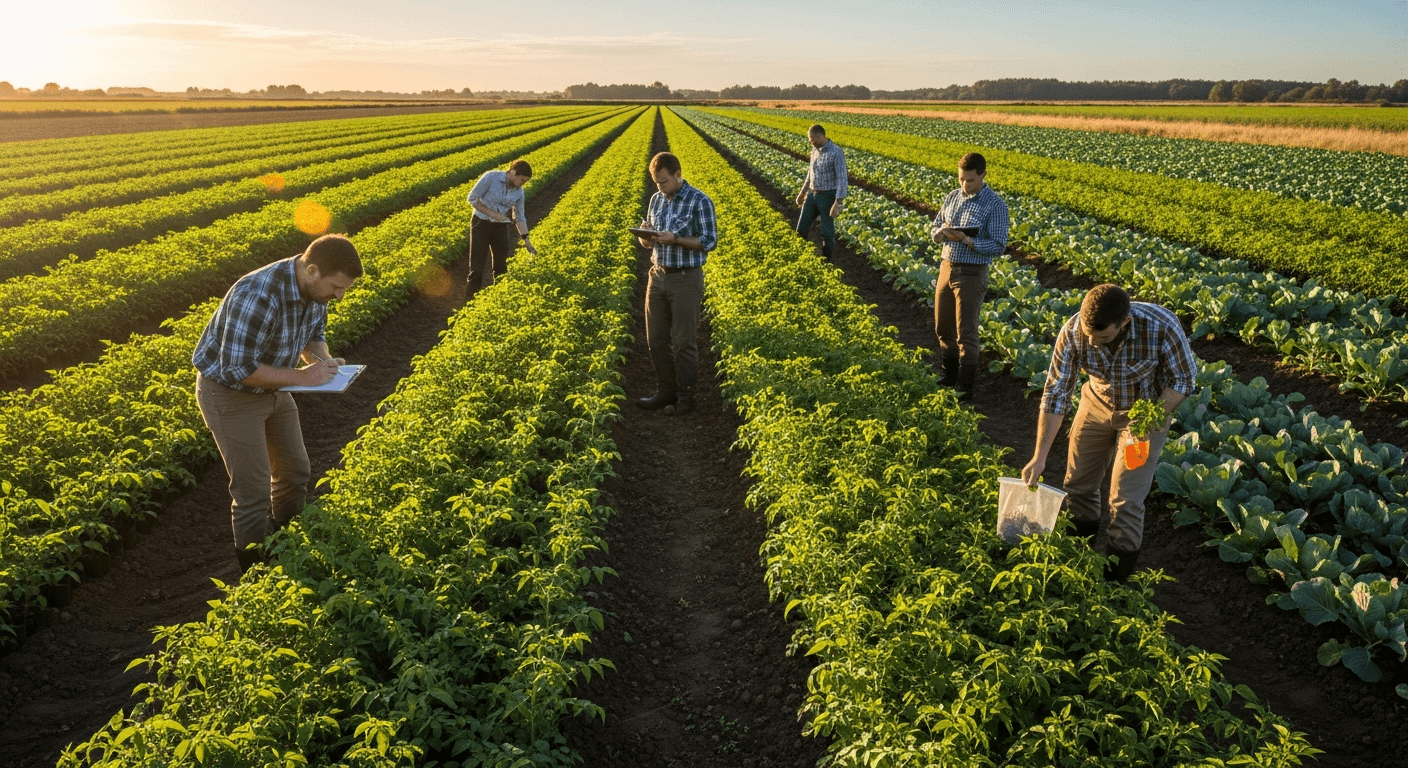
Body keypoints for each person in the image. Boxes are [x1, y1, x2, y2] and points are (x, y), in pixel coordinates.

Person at [192, 234, 363, 573]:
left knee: (295, 469)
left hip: (274, 388)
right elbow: (237, 369)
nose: (339, 296)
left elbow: (314, 336)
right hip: (229, 394)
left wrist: (324, 363)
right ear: (311, 270)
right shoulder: (257, 295)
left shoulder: (315, 289)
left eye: (345, 289)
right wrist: (303, 377)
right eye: (336, 287)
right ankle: (255, 571)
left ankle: (287, 543)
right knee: (252, 490)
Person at [1020, 284, 1197, 582]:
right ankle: (1079, 563)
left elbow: (1183, 379)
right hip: (1096, 405)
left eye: (1101, 337)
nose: (1092, 341)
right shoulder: (1075, 330)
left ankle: (1113, 586)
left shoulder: (1161, 327)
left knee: (1125, 500)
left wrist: (1151, 416)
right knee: (1078, 484)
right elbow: (1056, 393)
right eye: (1089, 334)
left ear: (1124, 323)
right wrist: (1039, 456)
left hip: (1142, 418)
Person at [635, 151, 717, 416]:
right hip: (657, 275)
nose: (659, 187)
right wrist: (645, 235)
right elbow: (648, 243)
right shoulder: (656, 200)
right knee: (656, 339)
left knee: (684, 343)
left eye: (664, 181)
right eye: (656, 182)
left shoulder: (699, 201)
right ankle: (665, 391)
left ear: (678, 175)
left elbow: (708, 241)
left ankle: (686, 398)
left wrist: (676, 239)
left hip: (685, 278)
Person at [930, 152, 1009, 401]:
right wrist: (941, 233)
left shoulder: (995, 205)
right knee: (943, 327)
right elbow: (935, 223)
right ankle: (949, 376)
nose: (965, 185)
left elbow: (998, 244)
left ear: (983, 175)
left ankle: (965, 387)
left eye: (970, 180)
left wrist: (968, 240)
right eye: (961, 179)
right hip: (947, 266)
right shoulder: (953, 196)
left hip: (972, 273)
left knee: (966, 332)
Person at [466, 159, 537, 295]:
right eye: (522, 180)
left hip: (501, 228)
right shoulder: (490, 177)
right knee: (477, 269)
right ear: (513, 173)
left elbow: (519, 216)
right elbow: (472, 198)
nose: (522, 184)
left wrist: (526, 240)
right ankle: (468, 304)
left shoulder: (519, 191)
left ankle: (499, 298)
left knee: (501, 267)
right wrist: (493, 214)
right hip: (481, 224)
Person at [794, 124, 847, 257]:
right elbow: (810, 174)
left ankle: (827, 261)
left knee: (827, 233)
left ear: (820, 136)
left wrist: (838, 202)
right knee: (801, 228)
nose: (811, 142)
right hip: (812, 195)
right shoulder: (814, 151)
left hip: (828, 196)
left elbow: (842, 178)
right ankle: (801, 257)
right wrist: (802, 193)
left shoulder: (836, 152)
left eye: (812, 139)